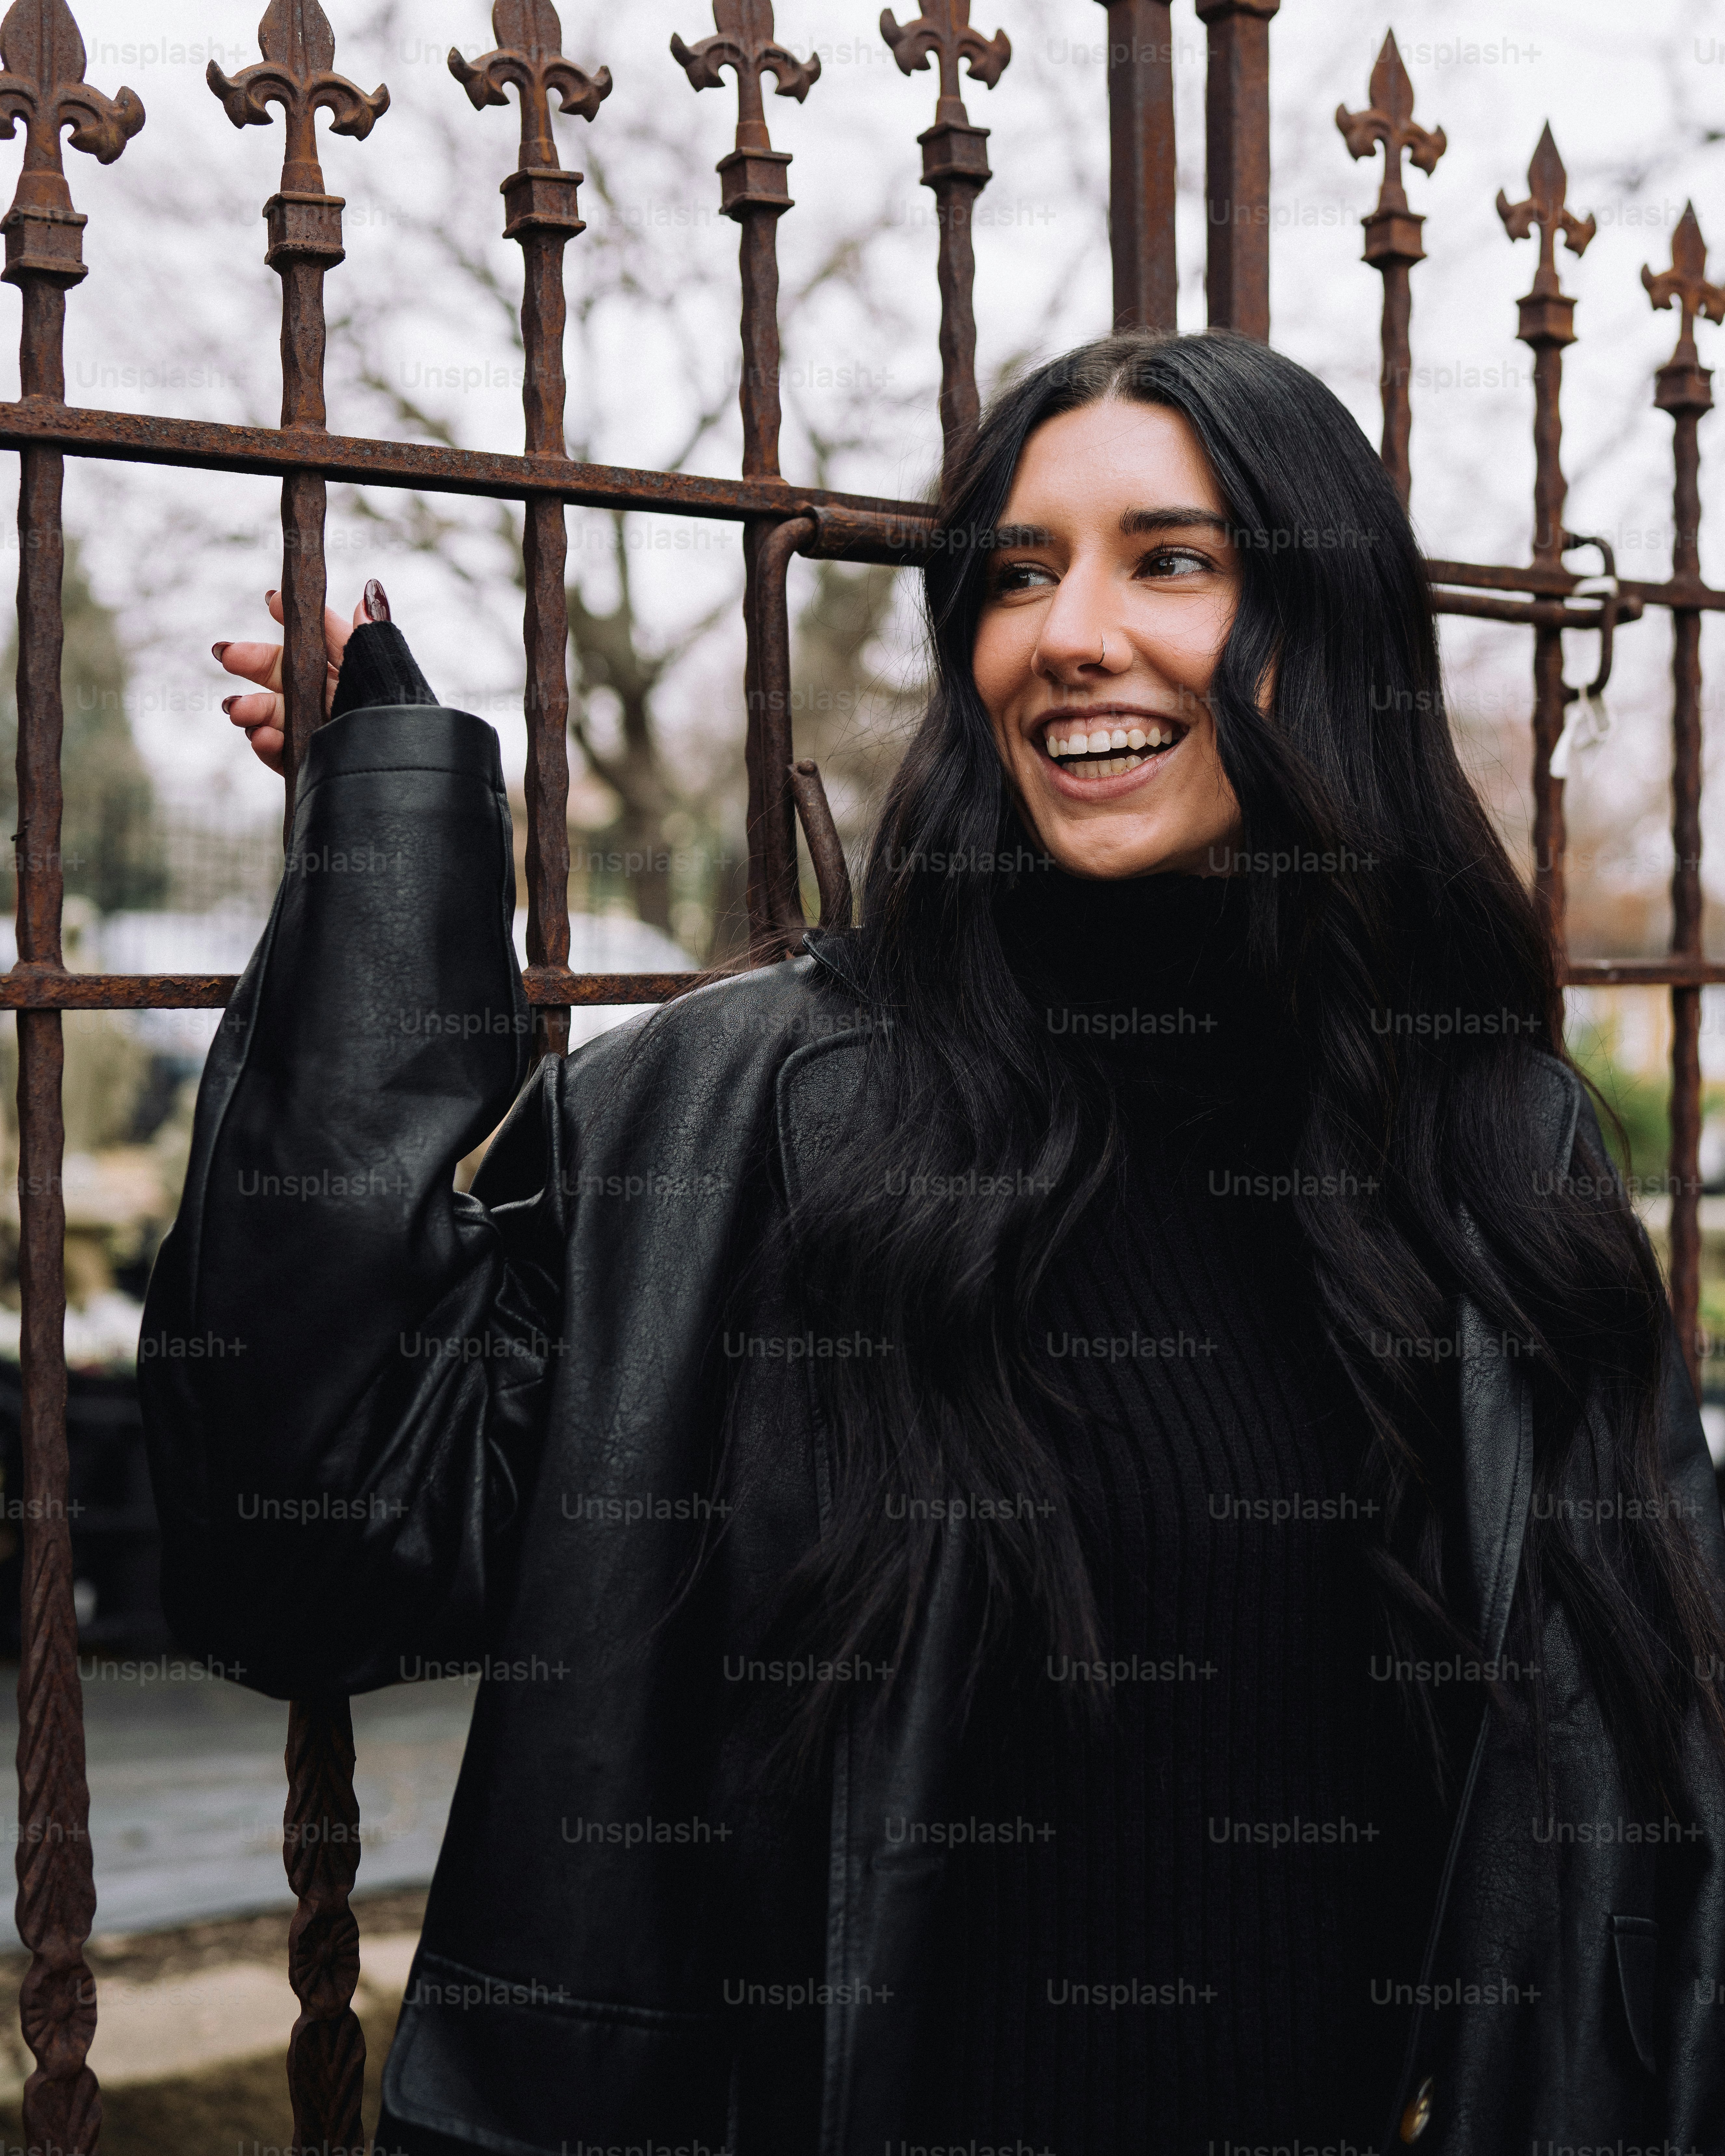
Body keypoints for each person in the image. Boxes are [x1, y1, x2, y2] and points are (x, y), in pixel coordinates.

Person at [142, 331, 1725, 2156]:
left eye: (1172, 559)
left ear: (1330, 623)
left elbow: (1652, 1815)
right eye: (1015, 573)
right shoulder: (749, 1116)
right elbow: (313, 1549)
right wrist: (392, 835)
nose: (1067, 633)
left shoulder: (1489, 1150)